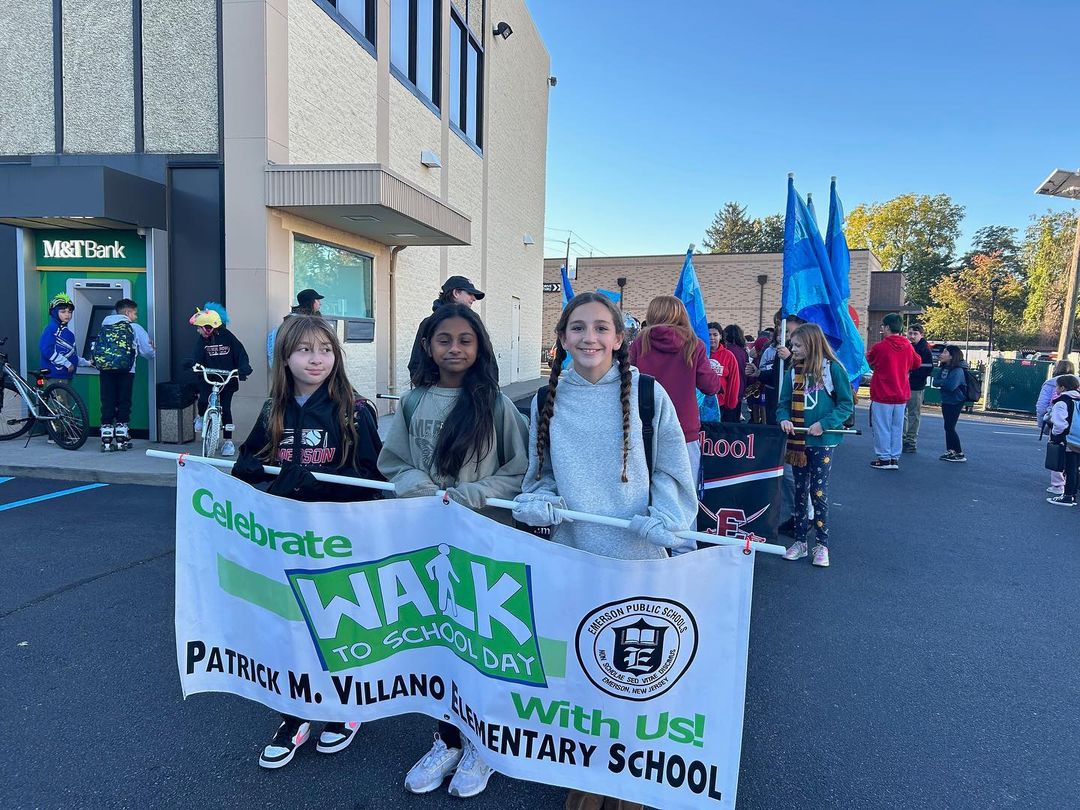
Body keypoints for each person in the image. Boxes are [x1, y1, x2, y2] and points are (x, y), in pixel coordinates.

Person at [511, 292, 698, 810]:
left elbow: (670, 469)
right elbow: (541, 476)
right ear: (563, 338)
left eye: (600, 328)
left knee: (637, 686)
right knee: (583, 686)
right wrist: (541, 503)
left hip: (639, 566)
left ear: (620, 339)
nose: (588, 338)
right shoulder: (544, 401)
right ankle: (585, 788)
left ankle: (634, 792)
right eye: (577, 328)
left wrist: (665, 516)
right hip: (575, 562)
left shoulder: (647, 394)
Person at [378, 303, 529, 799]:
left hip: (484, 541)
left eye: (466, 339)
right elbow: (393, 461)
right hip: (427, 542)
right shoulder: (412, 401)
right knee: (438, 645)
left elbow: (518, 470)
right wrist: (419, 485)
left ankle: (485, 745)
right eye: (445, 339)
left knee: (484, 644)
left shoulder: (496, 406)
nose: (455, 348)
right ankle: (446, 738)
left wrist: (472, 494)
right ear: (428, 345)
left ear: (479, 346)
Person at [231, 314, 383, 768]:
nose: (316, 359)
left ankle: (344, 710)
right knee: (290, 630)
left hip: (337, 539)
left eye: (325, 349)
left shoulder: (354, 409)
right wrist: (248, 468)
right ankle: (293, 715)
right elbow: (253, 455)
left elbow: (372, 479)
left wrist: (321, 482)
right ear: (285, 357)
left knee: (338, 630)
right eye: (304, 350)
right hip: (285, 540)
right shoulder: (272, 408)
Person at [776, 323, 853, 567]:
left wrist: (825, 423)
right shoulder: (792, 371)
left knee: (818, 493)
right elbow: (783, 404)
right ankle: (800, 541)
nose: (792, 348)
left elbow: (846, 404)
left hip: (824, 441)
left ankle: (822, 545)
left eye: (797, 345)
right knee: (799, 491)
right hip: (798, 441)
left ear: (811, 344)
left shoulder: (833, 369)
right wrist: (784, 419)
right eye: (792, 344)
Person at [628, 297, 721, 484]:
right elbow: (710, 387)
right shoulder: (694, 344)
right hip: (684, 428)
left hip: (643, 425)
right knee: (684, 492)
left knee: (644, 490)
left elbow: (627, 380)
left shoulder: (640, 342)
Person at [190, 302, 253, 457]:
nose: (198, 330)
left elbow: (241, 354)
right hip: (209, 377)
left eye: (200, 327)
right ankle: (200, 415)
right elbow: (197, 355)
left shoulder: (228, 337)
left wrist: (243, 367)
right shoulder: (202, 341)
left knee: (226, 408)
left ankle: (228, 442)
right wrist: (194, 364)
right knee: (204, 400)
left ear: (208, 327)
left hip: (227, 378)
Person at [94, 299, 155, 450]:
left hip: (105, 370)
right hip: (126, 370)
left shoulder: (104, 325)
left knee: (107, 400)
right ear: (127, 312)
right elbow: (147, 351)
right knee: (123, 401)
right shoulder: (133, 327)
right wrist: (153, 350)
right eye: (135, 313)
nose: (136, 317)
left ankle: (106, 437)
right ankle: (122, 437)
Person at [866, 312, 919, 470]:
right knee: (897, 427)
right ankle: (894, 457)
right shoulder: (908, 346)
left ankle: (883, 458)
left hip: (882, 393)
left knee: (882, 426)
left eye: (883, 326)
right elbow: (917, 363)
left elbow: (869, 360)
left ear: (887, 327)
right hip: (901, 393)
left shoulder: (880, 347)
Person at [408, 276, 485, 380]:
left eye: (465, 341)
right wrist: (433, 391)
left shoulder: (474, 323)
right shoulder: (428, 323)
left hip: (471, 392)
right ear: (456, 293)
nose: (474, 298)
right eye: (470, 293)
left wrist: (484, 391)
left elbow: (487, 360)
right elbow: (416, 362)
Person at [1037, 360, 1076, 496]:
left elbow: (1041, 405)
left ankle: (1058, 485)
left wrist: (1042, 423)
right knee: (1074, 455)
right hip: (1077, 425)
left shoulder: (1051, 383)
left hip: (1059, 424)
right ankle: (1073, 483)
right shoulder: (1077, 383)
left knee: (1057, 452)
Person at [1045, 374, 1080, 506]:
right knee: (1075, 468)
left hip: (1069, 439)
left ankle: (1067, 496)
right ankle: (1073, 495)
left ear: (1063, 387)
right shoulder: (1078, 399)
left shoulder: (1062, 402)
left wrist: (1055, 435)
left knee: (1069, 468)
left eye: (1057, 387)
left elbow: (1059, 424)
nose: (1056, 389)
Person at [267, 288, 323, 367]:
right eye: (318, 300)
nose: (320, 303)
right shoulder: (297, 322)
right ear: (311, 302)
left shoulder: (296, 319)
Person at [39, 293, 89, 380]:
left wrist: (87, 363)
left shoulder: (68, 333)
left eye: (69, 312)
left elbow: (70, 355)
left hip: (65, 376)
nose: (67, 315)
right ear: (54, 312)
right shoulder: (51, 329)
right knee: (58, 394)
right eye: (63, 312)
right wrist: (67, 363)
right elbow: (46, 350)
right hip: (54, 376)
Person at [902, 323, 935, 454]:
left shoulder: (924, 350)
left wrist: (911, 373)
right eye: (910, 333)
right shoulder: (905, 347)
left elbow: (927, 368)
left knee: (913, 414)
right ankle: (902, 438)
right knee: (901, 413)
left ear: (921, 335)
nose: (912, 336)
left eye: (915, 334)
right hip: (903, 385)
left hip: (916, 386)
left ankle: (911, 441)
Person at [934, 345, 968, 463]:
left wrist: (943, 383)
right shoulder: (944, 368)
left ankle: (959, 452)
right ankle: (950, 450)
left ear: (951, 356)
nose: (941, 354)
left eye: (944, 352)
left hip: (955, 401)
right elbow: (935, 381)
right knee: (947, 427)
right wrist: (944, 382)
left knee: (950, 427)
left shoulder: (958, 370)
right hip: (946, 400)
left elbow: (951, 386)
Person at [705, 321, 740, 420]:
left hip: (721, 404)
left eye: (715, 335)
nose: (711, 338)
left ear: (720, 336)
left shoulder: (728, 355)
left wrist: (731, 403)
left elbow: (734, 381)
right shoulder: (700, 354)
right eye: (709, 335)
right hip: (702, 403)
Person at [722, 324, 749, 422]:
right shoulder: (743, 351)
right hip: (740, 388)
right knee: (735, 419)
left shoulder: (727, 351)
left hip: (728, 390)